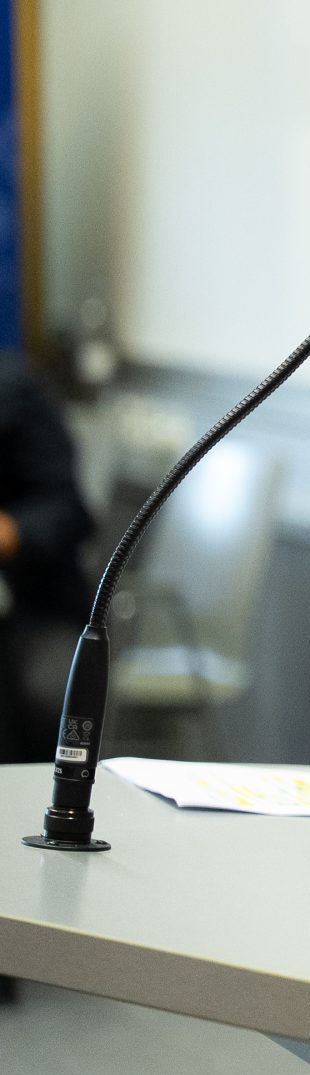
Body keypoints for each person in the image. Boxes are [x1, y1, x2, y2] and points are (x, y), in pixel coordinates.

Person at [0, 349, 94, 1004]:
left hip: (31, 607)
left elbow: (69, 513)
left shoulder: (14, 391)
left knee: (22, 692)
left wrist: (8, 532)